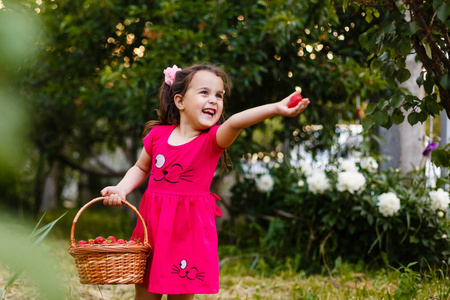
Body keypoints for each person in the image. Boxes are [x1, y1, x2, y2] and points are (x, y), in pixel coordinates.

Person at [101, 63, 310, 300]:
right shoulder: (157, 135)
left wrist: (275, 108)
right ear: (180, 101)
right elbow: (141, 167)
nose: (213, 100)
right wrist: (121, 188)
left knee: (182, 293)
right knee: (146, 292)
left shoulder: (212, 140)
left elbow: (236, 122)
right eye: (204, 92)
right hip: (153, 227)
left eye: (219, 95)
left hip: (188, 232)